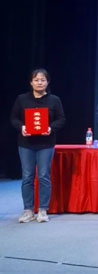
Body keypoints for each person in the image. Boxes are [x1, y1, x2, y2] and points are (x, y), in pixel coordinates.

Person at [10, 68, 66, 223]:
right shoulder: (22, 99)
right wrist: (21, 127)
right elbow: (14, 118)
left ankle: (43, 209)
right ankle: (28, 210)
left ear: (47, 82)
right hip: (26, 144)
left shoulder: (54, 100)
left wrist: (50, 128)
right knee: (27, 177)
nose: (39, 83)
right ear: (31, 82)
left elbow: (61, 119)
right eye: (36, 80)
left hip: (46, 144)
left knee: (43, 176)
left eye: (43, 80)